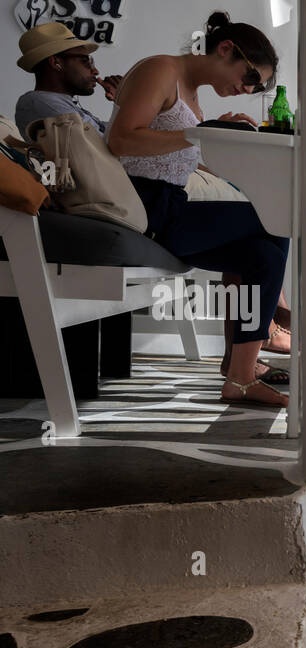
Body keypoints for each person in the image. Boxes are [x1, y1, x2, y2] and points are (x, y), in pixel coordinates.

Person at [106, 12, 290, 408]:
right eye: (251, 77)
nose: (246, 88)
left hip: (171, 205)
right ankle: (260, 342)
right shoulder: (161, 69)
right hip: (146, 206)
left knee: (263, 254)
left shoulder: (191, 92)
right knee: (278, 223)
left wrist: (217, 138)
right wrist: (199, 133)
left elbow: (180, 154)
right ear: (226, 49)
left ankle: (239, 373)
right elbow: (121, 140)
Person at [15, 22, 123, 135]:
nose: (95, 71)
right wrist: (125, 103)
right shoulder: (39, 102)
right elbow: (111, 146)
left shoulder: (57, 102)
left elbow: (110, 135)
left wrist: (122, 102)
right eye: (86, 61)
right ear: (56, 62)